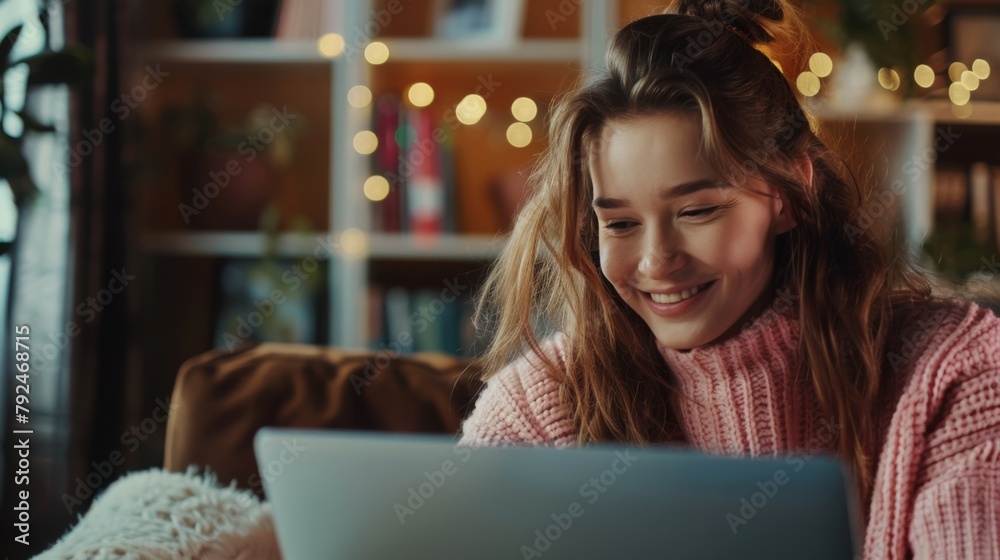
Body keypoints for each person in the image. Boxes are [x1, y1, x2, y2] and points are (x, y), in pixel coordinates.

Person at [457, 1, 1000, 559]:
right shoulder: (547, 399)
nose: (654, 261)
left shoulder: (950, 374)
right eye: (619, 223)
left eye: (697, 211)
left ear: (789, 192)